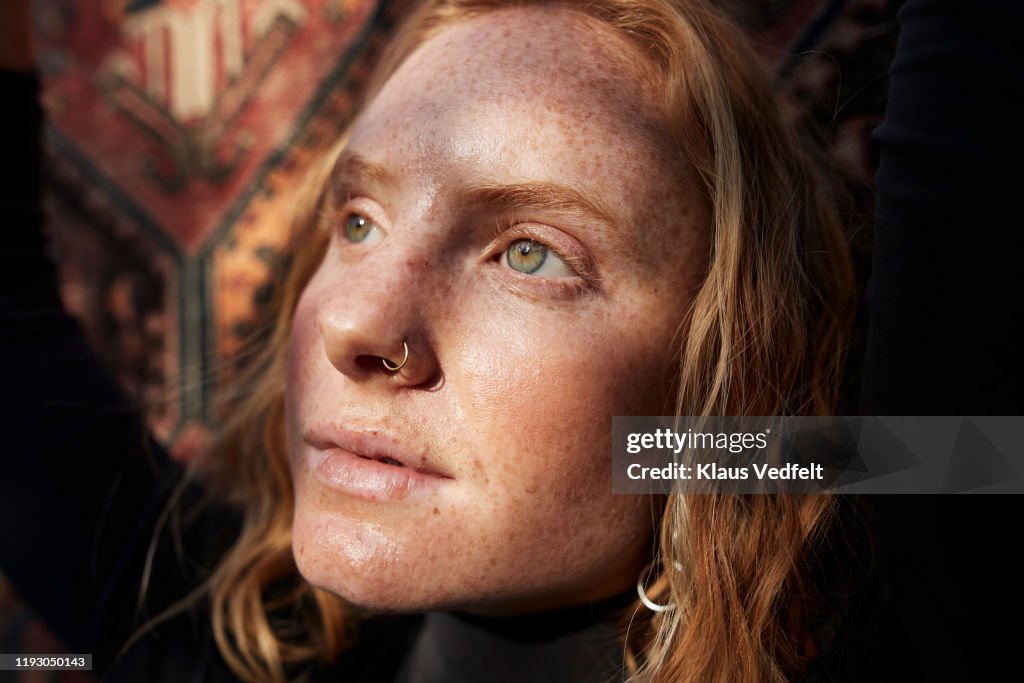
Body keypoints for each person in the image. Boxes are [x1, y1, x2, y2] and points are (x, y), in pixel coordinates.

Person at [6, 0, 1015, 680]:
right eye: (356, 221)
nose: (357, 324)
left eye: (530, 253)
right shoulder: (231, 638)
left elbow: (960, 449)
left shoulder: (898, 612)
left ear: (717, 378)